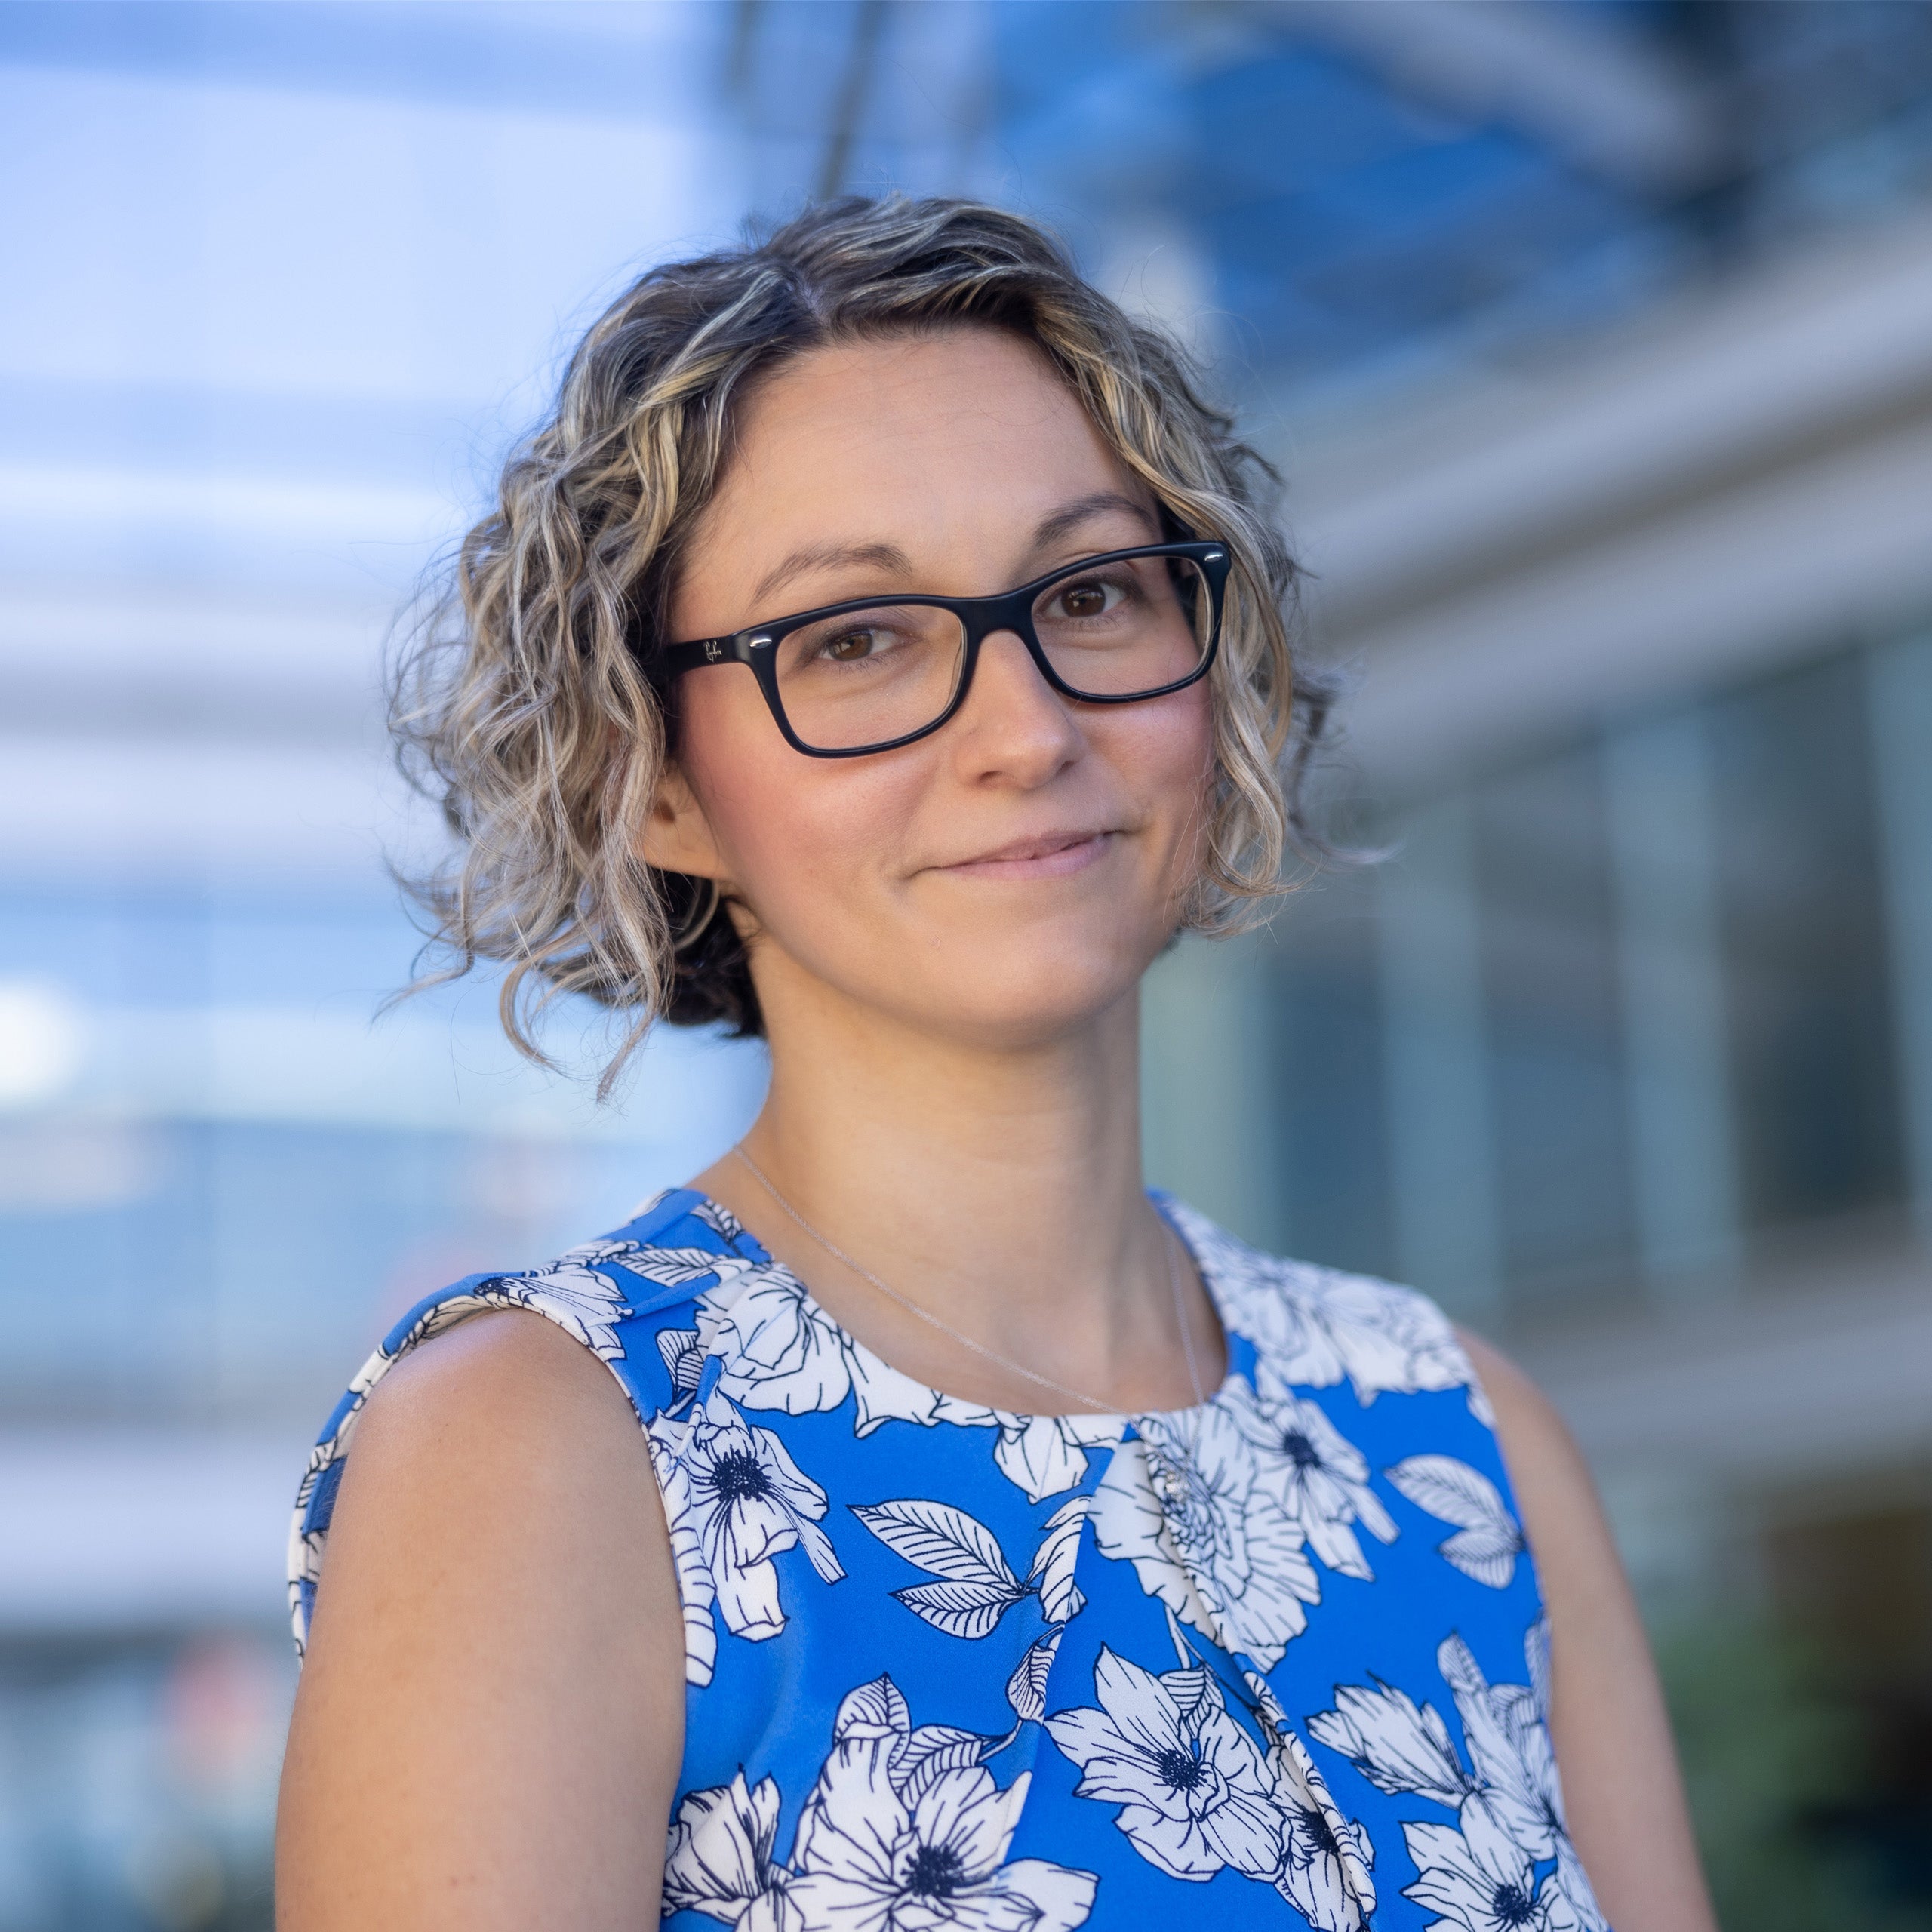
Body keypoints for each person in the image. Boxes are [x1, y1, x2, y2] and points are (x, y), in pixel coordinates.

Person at [275, 197, 1714, 1932]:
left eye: (1090, 592)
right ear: (653, 779)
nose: (1025, 730)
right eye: (855, 640)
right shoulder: (537, 1444)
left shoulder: (1461, 1432)